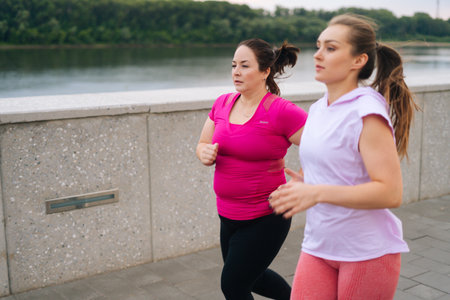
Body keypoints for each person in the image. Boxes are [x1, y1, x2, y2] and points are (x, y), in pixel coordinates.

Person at [269, 14, 419, 299]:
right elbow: (337, 168)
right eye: (318, 45)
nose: (317, 54)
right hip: (318, 245)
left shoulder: (367, 111)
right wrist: (305, 183)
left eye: (331, 48)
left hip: (366, 251)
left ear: (358, 60)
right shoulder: (317, 109)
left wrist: (317, 192)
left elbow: (391, 192)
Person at [196, 38, 308, 299]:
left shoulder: (281, 111)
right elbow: (202, 142)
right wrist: (204, 153)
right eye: (234, 65)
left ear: (265, 71)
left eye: (245, 65)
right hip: (228, 214)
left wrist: (304, 180)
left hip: (266, 216)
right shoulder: (222, 103)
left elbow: (325, 148)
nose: (236, 71)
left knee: (233, 285)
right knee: (252, 278)